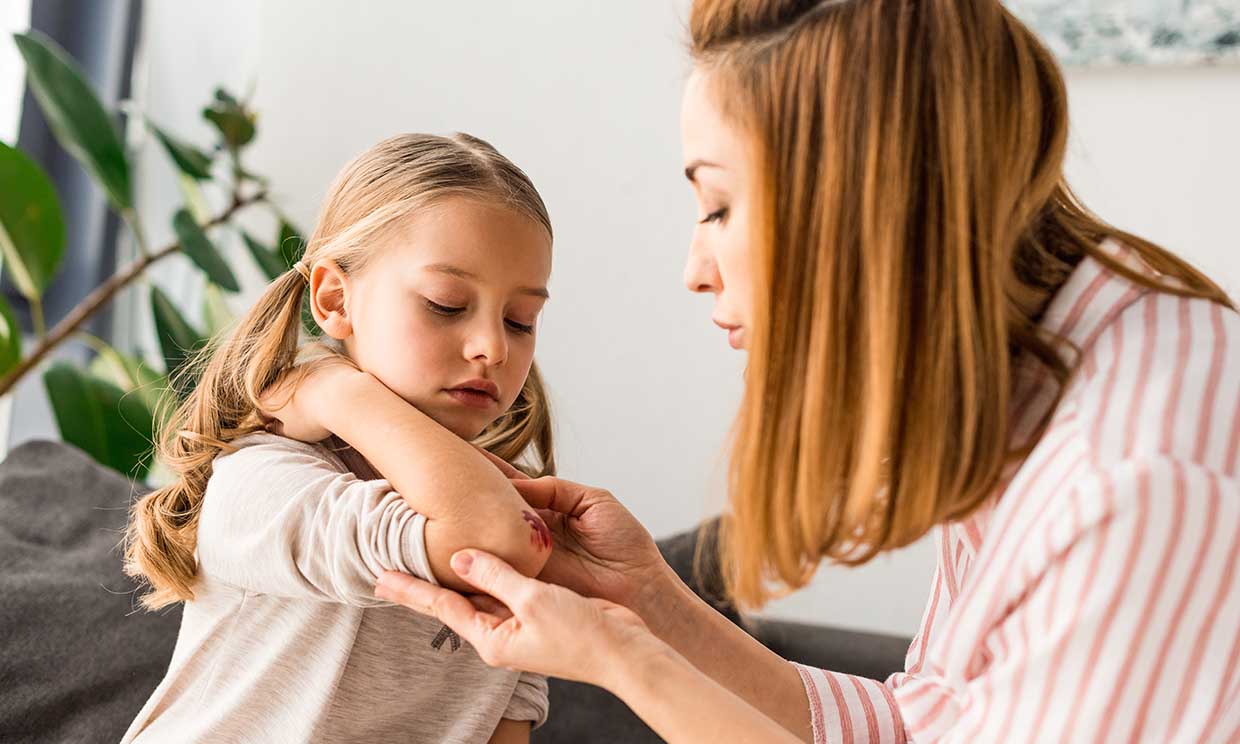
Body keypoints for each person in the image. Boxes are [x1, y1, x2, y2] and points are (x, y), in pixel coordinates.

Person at [373, 2, 1240, 742]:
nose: (695, 268)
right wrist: (648, 602)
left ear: (862, 208)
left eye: (717, 205)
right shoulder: (1035, 389)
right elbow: (924, 723)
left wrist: (621, 659)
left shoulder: (1130, 482)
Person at [122, 132, 559, 743]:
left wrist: (331, 388)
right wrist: (337, 391)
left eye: (521, 321)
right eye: (446, 303)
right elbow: (489, 535)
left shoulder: (504, 504)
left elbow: (500, 727)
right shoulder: (265, 479)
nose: (493, 346)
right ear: (333, 299)